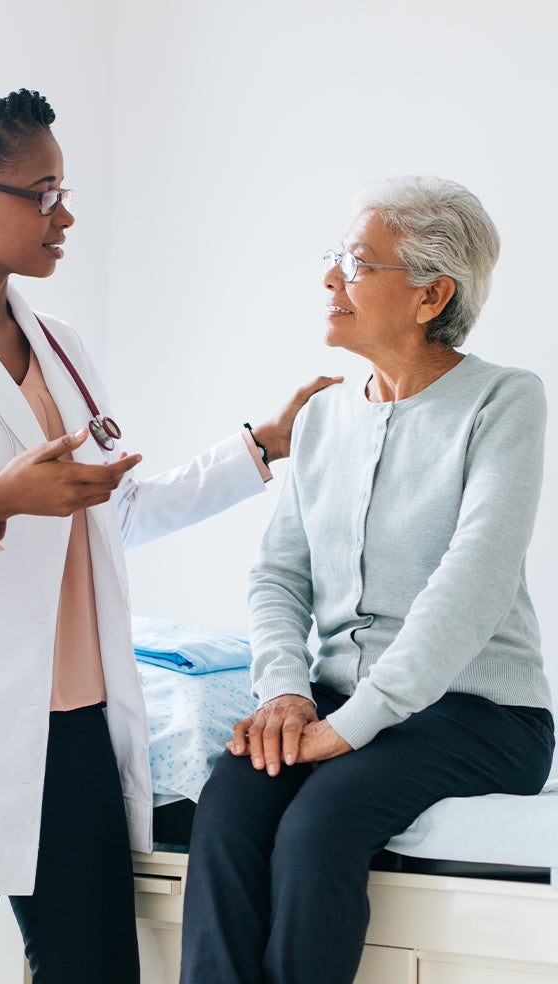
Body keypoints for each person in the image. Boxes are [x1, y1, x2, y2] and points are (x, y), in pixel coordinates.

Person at [0, 87, 338, 984]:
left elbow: (115, 517)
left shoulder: (61, 347)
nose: (63, 214)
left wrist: (261, 447)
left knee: (97, 969)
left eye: (62, 190)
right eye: (41, 193)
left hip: (72, 730)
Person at [179, 175, 555, 984]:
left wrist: (354, 728)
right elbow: (277, 575)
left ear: (432, 295)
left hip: (480, 715)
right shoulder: (322, 419)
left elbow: (473, 580)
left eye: (356, 262)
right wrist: (284, 691)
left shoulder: (503, 401)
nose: (329, 279)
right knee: (230, 808)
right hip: (341, 705)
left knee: (322, 824)